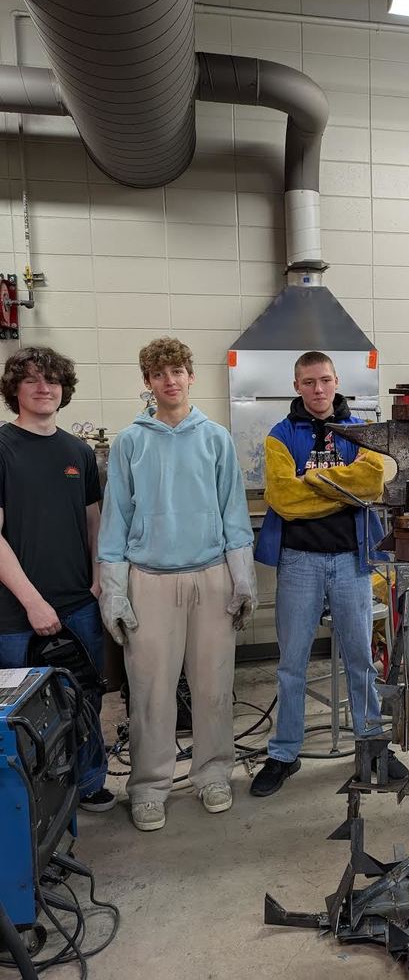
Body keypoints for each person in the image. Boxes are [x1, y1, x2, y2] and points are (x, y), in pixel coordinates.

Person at [98, 337, 255, 832]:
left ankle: (212, 775)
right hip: (150, 581)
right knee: (150, 691)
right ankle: (148, 786)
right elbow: (116, 522)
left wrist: (242, 579)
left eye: (177, 371)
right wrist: (115, 591)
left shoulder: (216, 439)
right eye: (159, 373)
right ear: (147, 382)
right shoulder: (129, 442)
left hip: (210, 577)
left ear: (191, 376)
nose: (169, 380)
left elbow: (234, 512)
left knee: (214, 686)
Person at [251, 350, 406, 797]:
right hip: (299, 561)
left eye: (324, 380)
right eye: (308, 382)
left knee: (361, 660)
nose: (318, 389)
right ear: (296, 386)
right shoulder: (280, 436)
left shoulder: (362, 432)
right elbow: (284, 498)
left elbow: (371, 485)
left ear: (337, 381)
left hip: (351, 561)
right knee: (292, 663)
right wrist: (342, 487)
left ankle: (372, 745)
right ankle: (283, 753)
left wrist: (313, 481)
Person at [0, 346, 114, 812]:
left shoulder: (78, 452)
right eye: (31, 379)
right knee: (22, 713)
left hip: (78, 603)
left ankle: (89, 781)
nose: (43, 387)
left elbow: (93, 521)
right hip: (15, 612)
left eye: (52, 379)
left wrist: (99, 576)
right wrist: (31, 601)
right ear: (15, 390)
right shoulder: (3, 448)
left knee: (85, 699)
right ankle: (30, 799)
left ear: (63, 388)